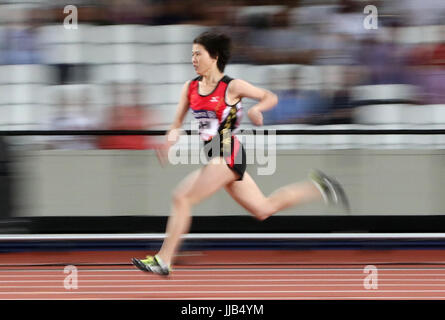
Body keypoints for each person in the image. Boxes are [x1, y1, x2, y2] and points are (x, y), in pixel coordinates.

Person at [132, 32, 349, 276]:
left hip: (227, 152)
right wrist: (169, 141)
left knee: (182, 197)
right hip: (216, 155)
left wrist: (257, 109)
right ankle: (318, 186)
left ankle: (163, 259)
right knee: (263, 209)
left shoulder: (231, 86)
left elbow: (270, 96)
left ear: (214, 57)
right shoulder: (190, 88)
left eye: (198, 54)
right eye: (191, 54)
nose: (192, 59)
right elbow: (177, 124)